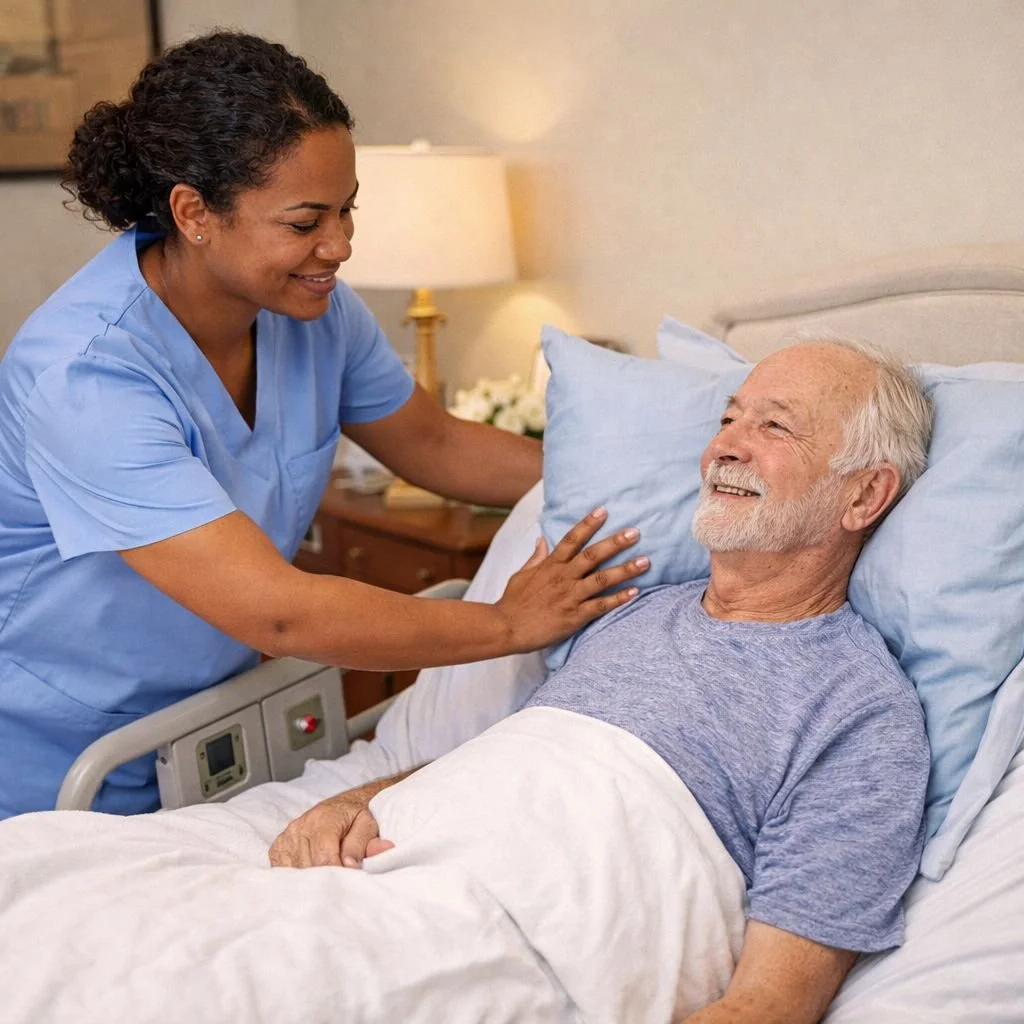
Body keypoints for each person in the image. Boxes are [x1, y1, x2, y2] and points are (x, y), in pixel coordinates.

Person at [0, 32, 648, 820]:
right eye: (306, 222)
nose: (339, 247)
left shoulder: (313, 312)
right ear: (194, 212)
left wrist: (638, 478)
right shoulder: (86, 373)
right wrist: (508, 621)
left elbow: (434, 443)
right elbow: (277, 609)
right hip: (54, 748)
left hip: (202, 718)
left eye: (347, 211)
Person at [269, 338, 934, 1024]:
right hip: (371, 876)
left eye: (774, 425)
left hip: (498, 950)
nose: (726, 449)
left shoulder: (861, 713)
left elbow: (767, 1005)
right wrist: (361, 799)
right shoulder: (632, 612)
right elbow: (523, 762)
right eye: (728, 420)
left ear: (864, 494)